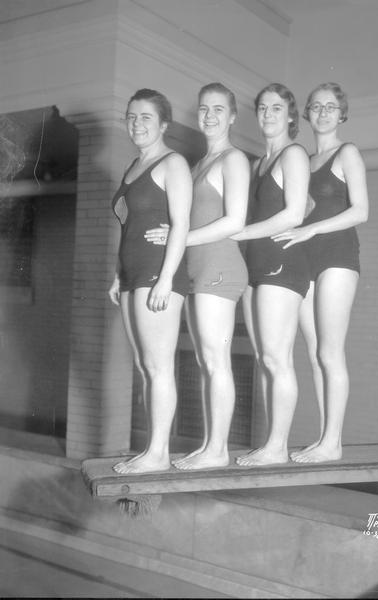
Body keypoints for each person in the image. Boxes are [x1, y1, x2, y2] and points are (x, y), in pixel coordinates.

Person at [145, 83, 250, 470]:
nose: (209, 116)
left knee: (216, 358)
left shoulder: (233, 159)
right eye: (204, 109)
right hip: (196, 270)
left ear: (233, 116)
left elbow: (235, 221)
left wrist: (180, 235)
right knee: (207, 362)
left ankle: (218, 450)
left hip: (220, 268)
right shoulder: (197, 164)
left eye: (219, 109)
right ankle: (211, 445)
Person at [272, 82, 369, 463]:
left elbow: (361, 210)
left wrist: (311, 228)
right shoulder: (302, 161)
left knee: (330, 352)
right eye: (316, 107)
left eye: (331, 107)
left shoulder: (348, 153)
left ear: (342, 113)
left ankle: (334, 442)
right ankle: (325, 439)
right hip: (305, 259)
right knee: (314, 353)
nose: (323, 112)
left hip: (338, 257)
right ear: (307, 114)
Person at [109, 88, 192, 474]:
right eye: (131, 116)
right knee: (145, 366)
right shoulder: (133, 166)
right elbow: (131, 226)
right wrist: (117, 274)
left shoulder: (172, 163)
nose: (136, 123)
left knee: (158, 366)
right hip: (130, 275)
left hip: (158, 274)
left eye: (145, 117)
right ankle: (151, 447)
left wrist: (166, 279)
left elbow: (181, 224)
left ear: (163, 124)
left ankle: (158, 454)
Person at [231, 83, 310, 467]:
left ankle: (278, 446)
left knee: (278, 358)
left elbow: (295, 213)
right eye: (262, 107)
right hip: (255, 264)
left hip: (282, 263)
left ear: (291, 115)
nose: (267, 114)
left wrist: (241, 233)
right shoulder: (257, 163)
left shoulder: (293, 154)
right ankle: (270, 442)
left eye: (276, 108)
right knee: (264, 357)